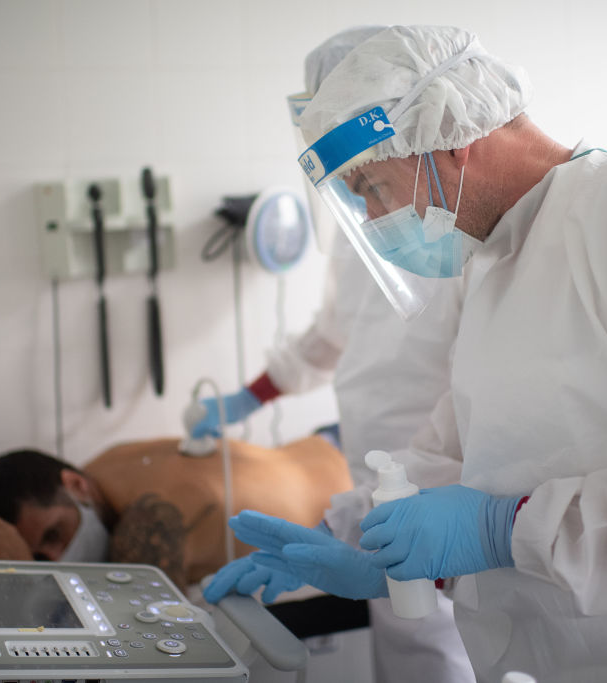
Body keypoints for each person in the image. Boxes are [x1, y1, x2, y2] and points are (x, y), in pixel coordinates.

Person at [203, 24, 607, 682]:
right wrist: (349, 534)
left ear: (452, 139)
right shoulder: (491, 260)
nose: (378, 222)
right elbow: (453, 449)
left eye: (376, 188)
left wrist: (506, 527)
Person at [188, 26, 475, 683]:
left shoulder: (458, 230)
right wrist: (248, 398)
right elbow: (332, 333)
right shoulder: (364, 220)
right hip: (379, 482)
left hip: (450, 494)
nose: (360, 194)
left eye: (366, 174)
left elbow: (485, 394)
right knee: (409, 654)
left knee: (444, 654)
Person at [0, 434, 351, 588]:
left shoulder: (146, 525)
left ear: (75, 487)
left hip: (356, 510)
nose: (55, 559)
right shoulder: (101, 465)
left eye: (54, 534)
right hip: (325, 444)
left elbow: (142, 660)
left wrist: (26, 577)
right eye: (41, 557)